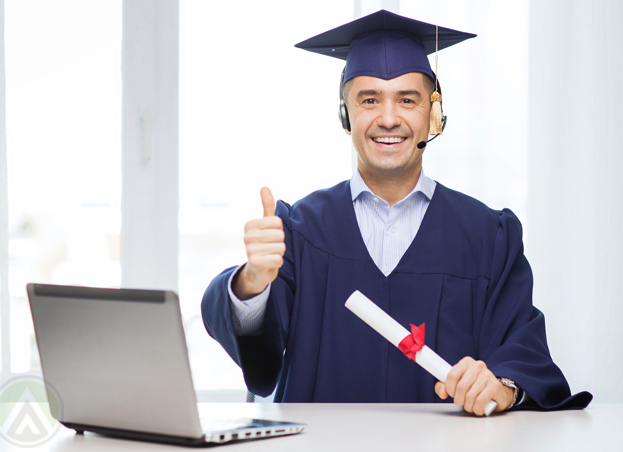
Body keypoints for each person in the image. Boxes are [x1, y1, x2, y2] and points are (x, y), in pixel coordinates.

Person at [201, 10, 592, 415]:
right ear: (345, 115)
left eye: (408, 99)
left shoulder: (487, 236)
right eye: (369, 100)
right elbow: (259, 358)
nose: (388, 118)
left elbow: (524, 351)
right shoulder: (300, 231)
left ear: (432, 115)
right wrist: (252, 282)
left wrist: (502, 386)